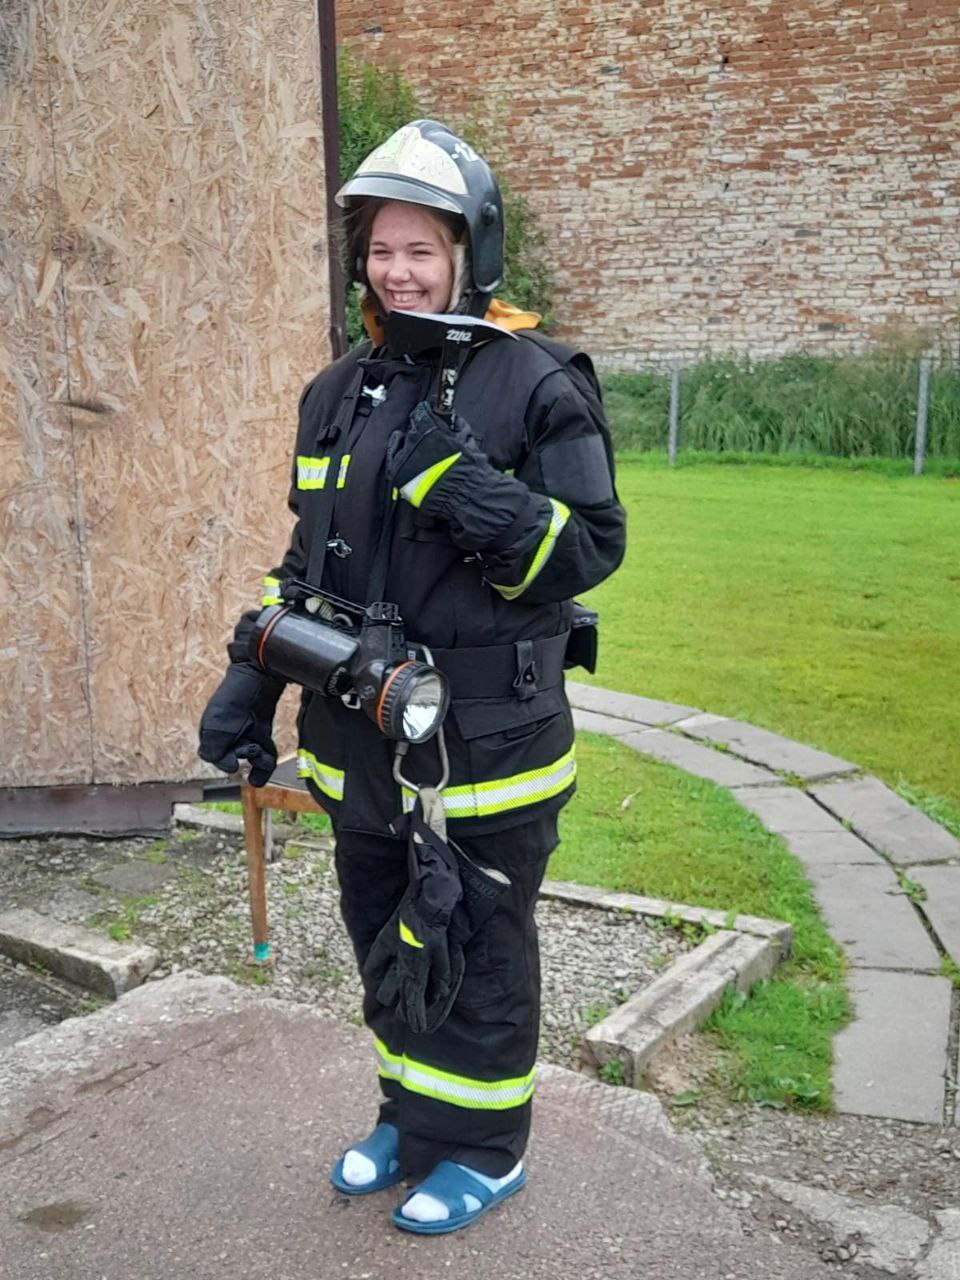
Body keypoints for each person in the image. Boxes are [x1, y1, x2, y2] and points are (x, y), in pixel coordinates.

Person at [198, 119, 626, 1234]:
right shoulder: (337, 391)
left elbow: (587, 550)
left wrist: (460, 486)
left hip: (487, 748)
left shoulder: (538, 381)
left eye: (421, 250)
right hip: (357, 740)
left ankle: (484, 1147)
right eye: (381, 250)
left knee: (478, 947)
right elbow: (307, 559)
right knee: (382, 930)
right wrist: (251, 683)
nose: (398, 271)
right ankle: (409, 1114)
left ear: (469, 251)